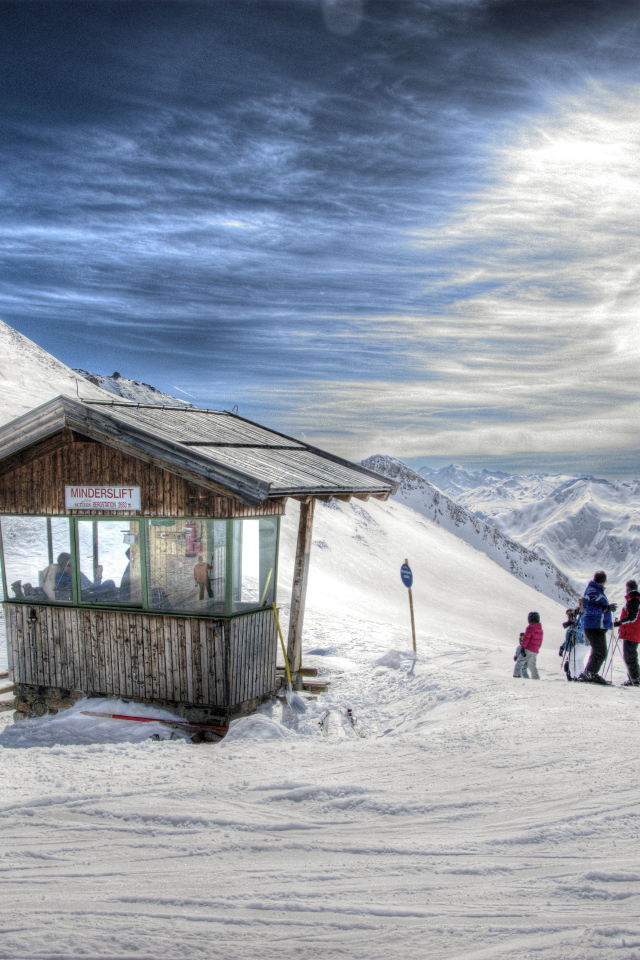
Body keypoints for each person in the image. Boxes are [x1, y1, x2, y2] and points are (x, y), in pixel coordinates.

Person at [580, 570, 617, 684]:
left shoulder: (594, 590)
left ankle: (589, 673)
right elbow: (589, 609)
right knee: (601, 652)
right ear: (604, 581)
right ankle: (590, 673)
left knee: (597, 651)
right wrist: (605, 609)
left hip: (595, 626)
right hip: (594, 626)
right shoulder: (593, 591)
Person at [615, 579, 640, 686]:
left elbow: (632, 617)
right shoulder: (635, 599)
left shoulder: (633, 599)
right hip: (633, 633)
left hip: (631, 633)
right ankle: (634, 678)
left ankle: (635, 679)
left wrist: (620, 622)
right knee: (630, 656)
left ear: (627, 589)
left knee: (630, 656)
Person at [559, 600, 589, 681]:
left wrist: (572, 626)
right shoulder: (579, 617)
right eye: (568, 614)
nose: (570, 615)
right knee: (579, 661)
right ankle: (582, 677)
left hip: (582, 643)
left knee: (572, 660)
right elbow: (569, 636)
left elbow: (580, 629)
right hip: (584, 643)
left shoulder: (581, 617)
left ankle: (575, 677)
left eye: (571, 613)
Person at [513, 612, 543, 679]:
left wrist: (523, 648)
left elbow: (526, 638)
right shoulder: (540, 629)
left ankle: (516, 675)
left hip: (529, 649)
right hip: (535, 650)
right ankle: (536, 677)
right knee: (531, 665)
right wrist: (537, 649)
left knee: (520, 661)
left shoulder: (530, 628)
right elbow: (540, 640)